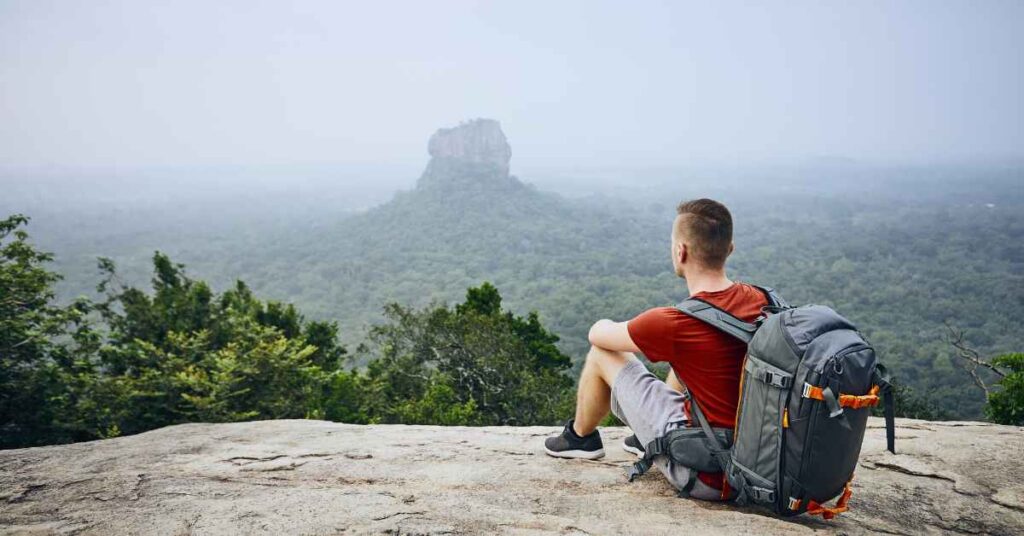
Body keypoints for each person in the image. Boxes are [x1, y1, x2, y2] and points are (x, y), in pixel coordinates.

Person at [542, 198, 769, 501]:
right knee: (686, 359)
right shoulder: (763, 300)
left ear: (681, 251)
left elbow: (597, 334)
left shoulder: (676, 322)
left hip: (707, 475)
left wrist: (606, 322)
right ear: (729, 249)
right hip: (755, 464)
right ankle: (644, 438)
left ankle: (580, 439)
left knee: (602, 354)